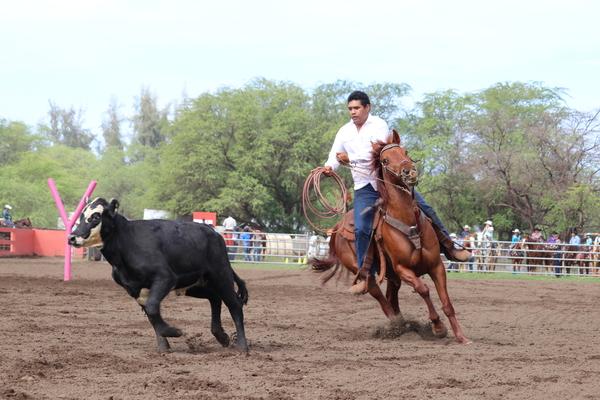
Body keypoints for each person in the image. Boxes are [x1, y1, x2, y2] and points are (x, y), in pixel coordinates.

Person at [322, 90, 470, 295]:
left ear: (367, 107)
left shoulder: (379, 125)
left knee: (425, 208)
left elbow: (380, 154)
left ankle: (449, 246)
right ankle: (366, 275)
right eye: (350, 109)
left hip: (388, 183)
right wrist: (329, 167)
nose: (353, 112)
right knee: (361, 228)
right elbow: (333, 156)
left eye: (356, 108)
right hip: (364, 187)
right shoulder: (344, 131)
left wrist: (350, 160)